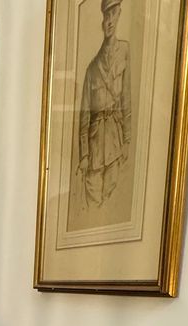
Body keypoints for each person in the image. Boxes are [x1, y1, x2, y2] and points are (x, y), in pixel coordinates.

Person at [77, 0, 132, 208]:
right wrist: (83, 155)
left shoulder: (125, 51)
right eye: (106, 16)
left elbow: (126, 98)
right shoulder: (92, 68)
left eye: (113, 15)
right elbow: (83, 116)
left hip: (115, 142)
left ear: (119, 15)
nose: (109, 21)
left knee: (112, 199)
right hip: (94, 147)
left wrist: (127, 139)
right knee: (92, 200)